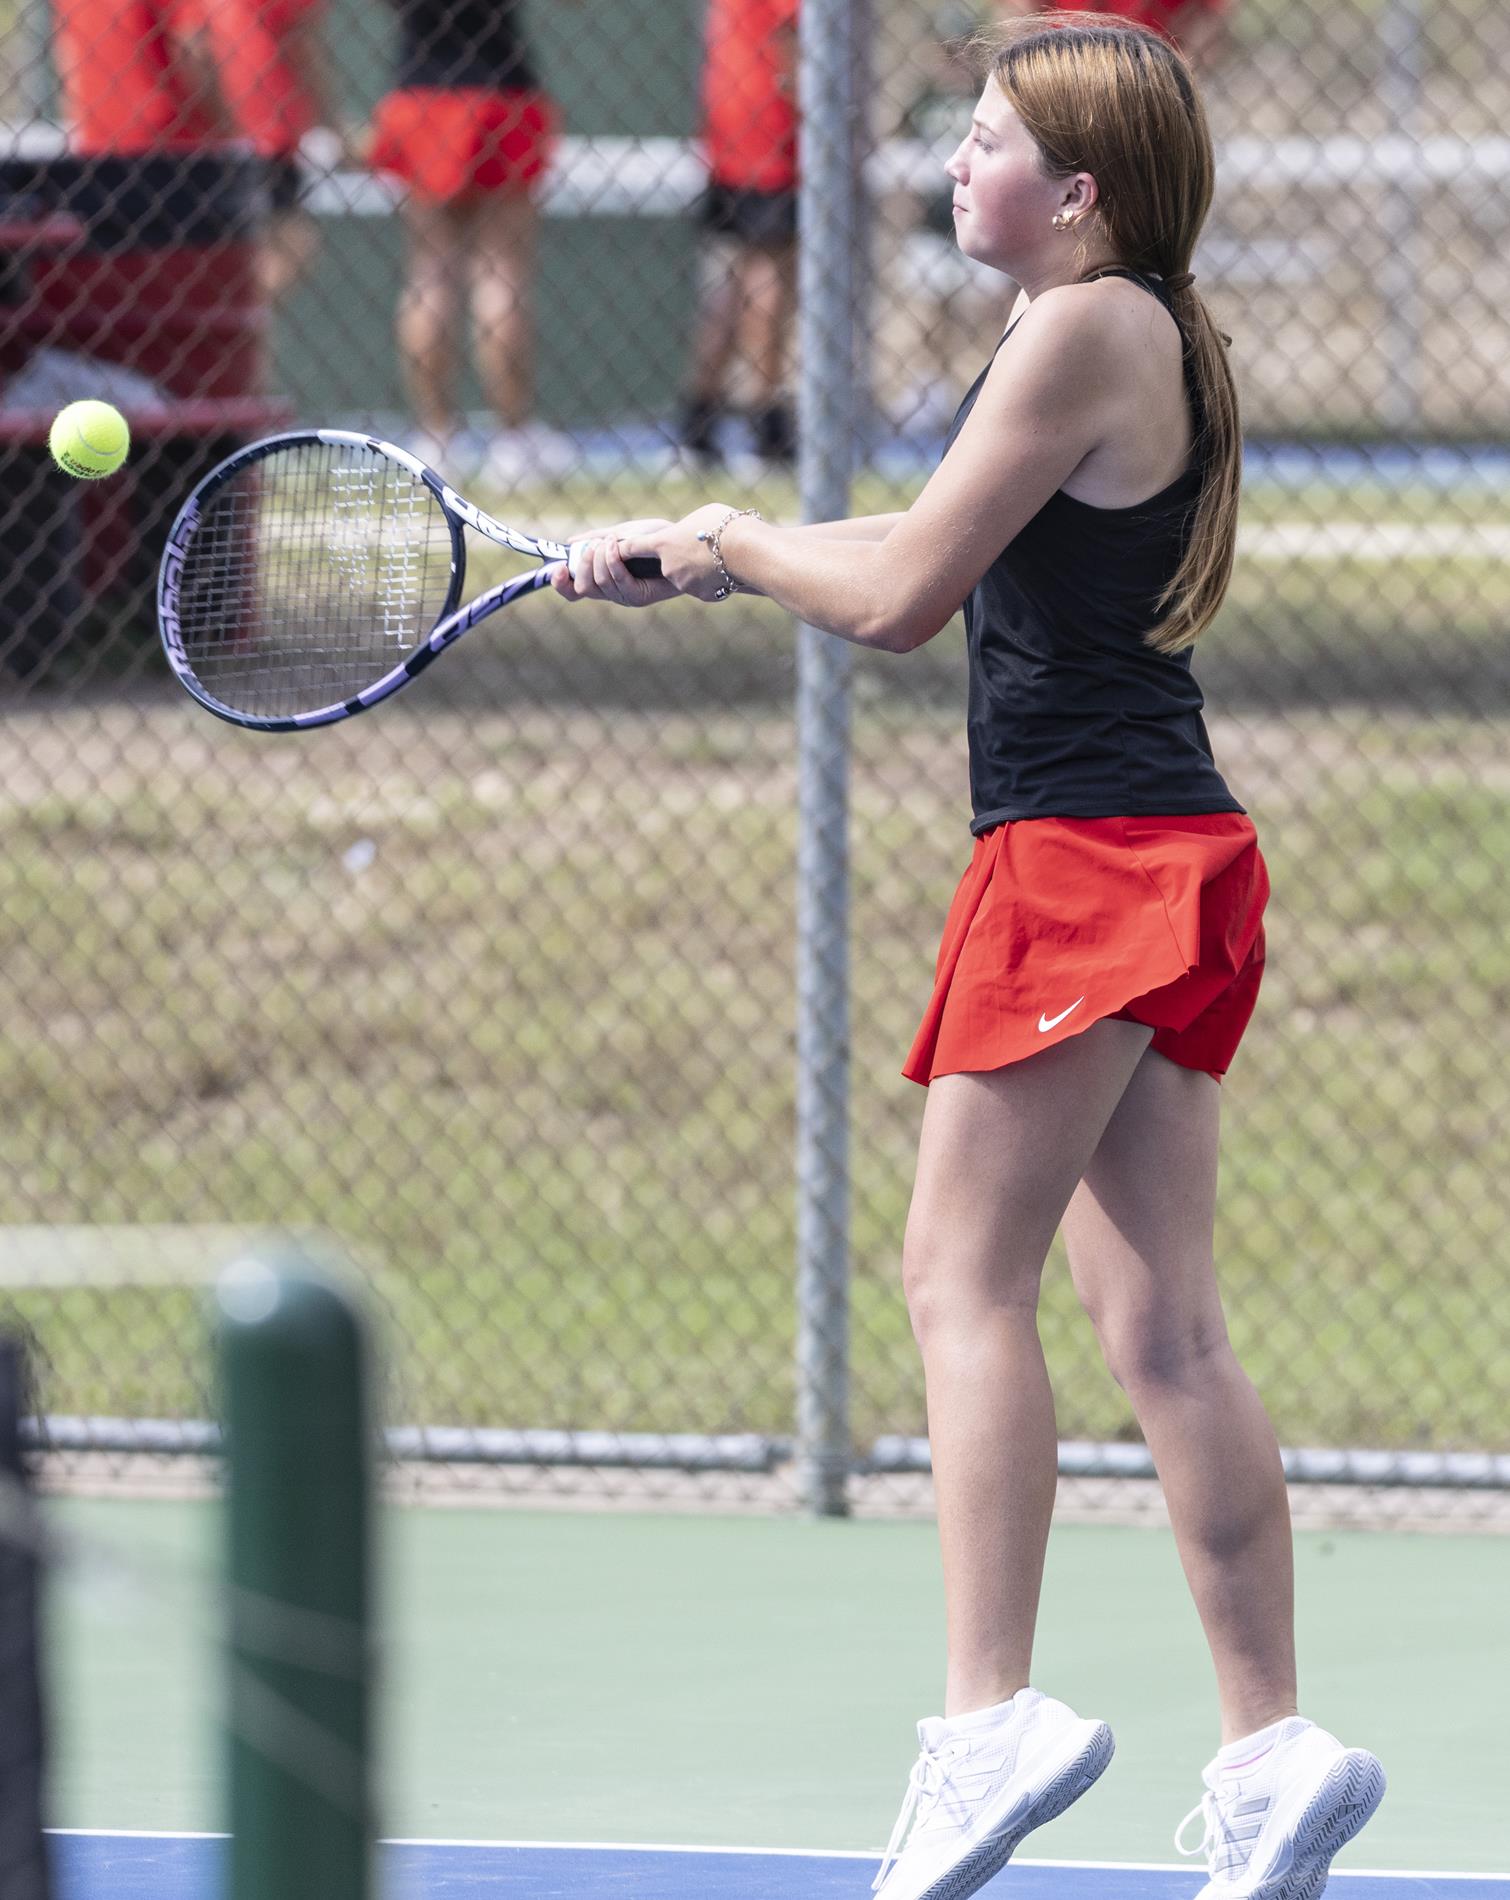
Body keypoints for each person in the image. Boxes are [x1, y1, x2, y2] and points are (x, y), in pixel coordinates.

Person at [554, 14, 1385, 1900]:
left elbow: (906, 603)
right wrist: (708, 546)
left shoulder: (1084, 324)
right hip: (1167, 842)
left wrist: (741, 538)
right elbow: (944, 536)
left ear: (1075, 192)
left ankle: (988, 1717)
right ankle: (1272, 1751)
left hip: (1083, 858)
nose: (950, 156)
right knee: (1163, 1325)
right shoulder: (1127, 330)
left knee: (956, 1279)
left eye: (984, 134)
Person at [367, 0, 576, 483]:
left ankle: (436, 438)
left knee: (429, 272)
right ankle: (513, 440)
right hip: (500, 86)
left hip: (421, 92)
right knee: (501, 274)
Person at [677, 0, 800, 468]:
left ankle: (701, 416)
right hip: (771, 126)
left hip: (730, 121)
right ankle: (764, 416)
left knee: (733, 276)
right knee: (769, 274)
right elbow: (791, 44)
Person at [188, 0, 345, 305]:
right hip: (269, 126)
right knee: (289, 245)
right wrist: (333, 125)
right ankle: (232, 315)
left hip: (233, 129)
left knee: (265, 249)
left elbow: (197, 45)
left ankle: (232, 319)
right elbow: (306, 47)